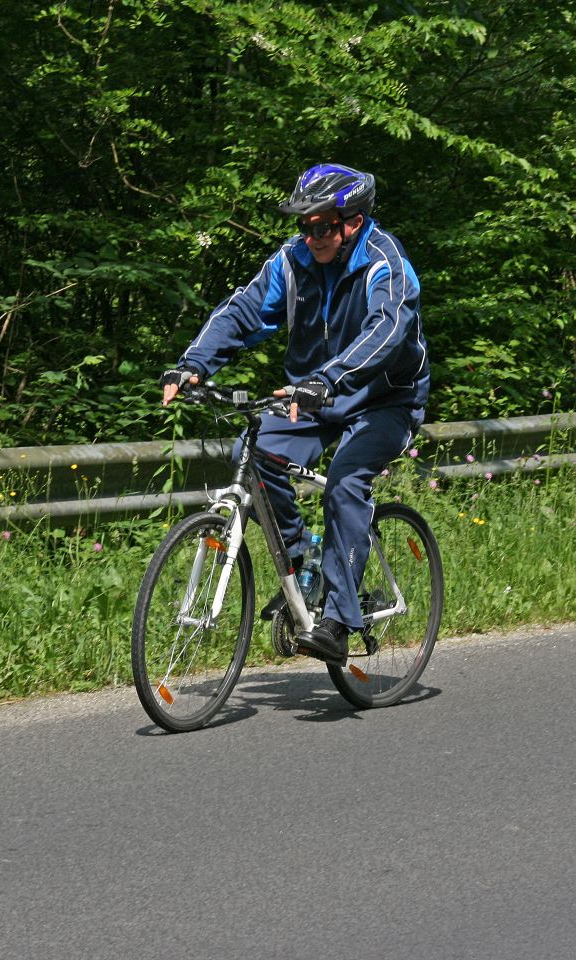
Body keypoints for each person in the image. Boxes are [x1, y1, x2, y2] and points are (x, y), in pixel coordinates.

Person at [160, 163, 429, 667]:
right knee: (255, 453)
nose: (310, 237)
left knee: (345, 484)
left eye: (321, 226)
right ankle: (303, 563)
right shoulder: (292, 261)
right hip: (314, 394)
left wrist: (326, 380)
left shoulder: (385, 264)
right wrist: (192, 366)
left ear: (352, 220)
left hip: (385, 398)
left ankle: (338, 621)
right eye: (303, 226)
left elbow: (386, 331)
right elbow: (242, 312)